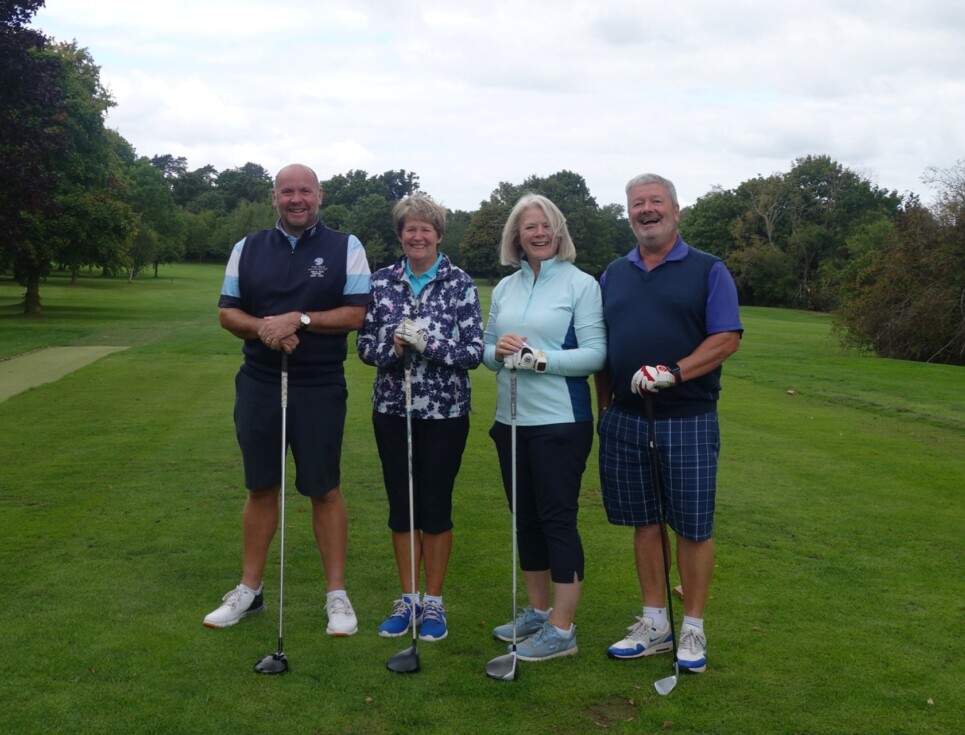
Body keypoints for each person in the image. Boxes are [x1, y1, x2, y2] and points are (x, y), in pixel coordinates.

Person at [204, 163, 372, 637]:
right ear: (274, 197)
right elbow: (227, 311)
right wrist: (262, 328)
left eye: (305, 191)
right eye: (287, 192)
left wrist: (297, 319)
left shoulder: (347, 246)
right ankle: (250, 590)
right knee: (260, 487)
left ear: (319, 195)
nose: (296, 199)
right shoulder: (248, 246)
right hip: (259, 380)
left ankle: (336, 595)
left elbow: (357, 313)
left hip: (319, 384)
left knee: (323, 487)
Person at [595, 173, 742, 674]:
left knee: (693, 527)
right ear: (629, 214)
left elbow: (726, 338)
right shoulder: (614, 272)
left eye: (656, 201)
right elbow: (603, 348)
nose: (646, 210)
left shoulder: (707, 269)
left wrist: (675, 372)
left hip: (688, 416)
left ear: (676, 211)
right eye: (637, 203)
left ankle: (693, 628)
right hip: (627, 419)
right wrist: (605, 409)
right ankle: (656, 622)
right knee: (645, 522)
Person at [482, 193, 607, 662]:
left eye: (546, 225)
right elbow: (487, 349)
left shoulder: (581, 285)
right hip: (510, 422)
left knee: (557, 520)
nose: (538, 233)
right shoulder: (506, 288)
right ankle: (536, 611)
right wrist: (496, 352)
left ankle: (562, 627)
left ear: (559, 233)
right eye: (529, 226)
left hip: (560, 422)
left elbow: (596, 354)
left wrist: (540, 361)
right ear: (516, 236)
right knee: (527, 519)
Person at [357, 194, 483, 642]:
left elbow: (472, 353)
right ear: (400, 234)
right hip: (392, 409)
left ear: (438, 235)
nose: (417, 236)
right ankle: (407, 599)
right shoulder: (382, 282)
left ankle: (434, 602)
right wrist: (392, 348)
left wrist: (427, 343)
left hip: (445, 412)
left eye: (425, 229)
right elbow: (364, 349)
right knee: (402, 507)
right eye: (410, 228)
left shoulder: (459, 282)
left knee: (435, 506)